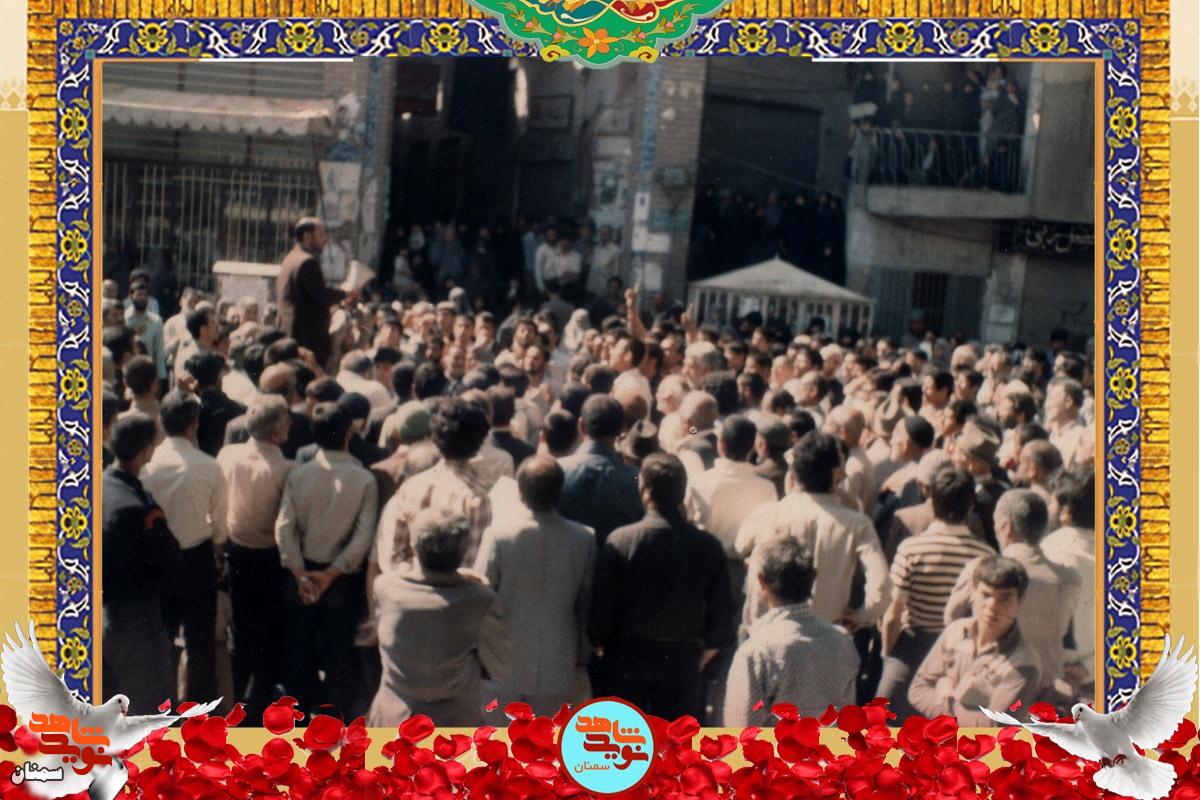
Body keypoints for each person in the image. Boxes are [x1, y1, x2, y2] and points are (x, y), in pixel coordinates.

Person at [590, 453, 733, 722]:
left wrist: (603, 646)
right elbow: (722, 622)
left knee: (625, 742)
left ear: (644, 489)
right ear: (683, 492)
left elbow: (600, 616)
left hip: (626, 660)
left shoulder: (620, 541)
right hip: (682, 664)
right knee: (677, 744)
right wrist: (697, 659)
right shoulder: (709, 547)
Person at [275, 402, 379, 715]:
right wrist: (332, 573)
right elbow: (363, 537)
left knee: (298, 651)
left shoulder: (298, 475)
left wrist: (299, 573)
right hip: (340, 579)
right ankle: (333, 725)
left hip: (303, 575)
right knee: (338, 657)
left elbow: (284, 528)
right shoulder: (364, 480)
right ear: (349, 433)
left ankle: (296, 722)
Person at [474, 455, 596, 716]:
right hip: (559, 659)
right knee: (548, 736)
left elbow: (480, 597)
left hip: (502, 660)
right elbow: (585, 604)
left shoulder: (498, 536)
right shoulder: (584, 537)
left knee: (499, 737)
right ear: (560, 490)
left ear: (520, 491)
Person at [737, 433, 891, 631]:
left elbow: (741, 548)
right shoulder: (858, 524)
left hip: (771, 630)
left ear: (794, 473)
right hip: (829, 633)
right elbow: (882, 585)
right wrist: (862, 616)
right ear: (836, 473)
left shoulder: (769, 514)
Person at [370, 508, 510, 726]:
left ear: (414, 547)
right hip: (454, 725)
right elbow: (500, 667)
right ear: (464, 550)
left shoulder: (385, 588)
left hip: (393, 719)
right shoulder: (481, 600)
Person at [877, 467, 995, 721]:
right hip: (959, 657)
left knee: (882, 722)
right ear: (970, 507)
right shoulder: (986, 556)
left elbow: (892, 617)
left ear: (932, 501)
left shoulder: (911, 549)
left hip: (911, 649)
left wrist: (887, 654)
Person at [943, 489, 1080, 700]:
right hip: (1045, 692)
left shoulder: (979, 570)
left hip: (989, 691)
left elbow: (951, 619)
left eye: (996, 523)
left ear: (1006, 526)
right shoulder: (1068, 578)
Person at [140, 391, 228, 703]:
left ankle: (160, 705)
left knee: (160, 637)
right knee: (200, 641)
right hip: (196, 559)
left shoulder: (147, 468)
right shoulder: (208, 466)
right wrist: (216, 547)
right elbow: (220, 523)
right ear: (194, 424)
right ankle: (199, 709)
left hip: (157, 560)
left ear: (161, 423)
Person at [217, 395, 296, 719]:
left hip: (235, 554)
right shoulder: (286, 469)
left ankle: (236, 700)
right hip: (269, 559)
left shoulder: (227, 454)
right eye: (287, 420)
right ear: (277, 433)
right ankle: (258, 709)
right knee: (267, 637)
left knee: (241, 631)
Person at [723, 537, 858, 725]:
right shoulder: (843, 642)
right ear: (814, 577)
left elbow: (741, 728)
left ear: (762, 581)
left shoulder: (755, 652)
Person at [102, 413, 183, 713]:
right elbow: (171, 561)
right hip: (137, 622)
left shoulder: (94, 488)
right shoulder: (139, 506)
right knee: (151, 710)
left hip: (99, 614)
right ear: (146, 452)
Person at [909, 556, 1041, 726]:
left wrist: (947, 697)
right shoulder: (955, 631)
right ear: (973, 592)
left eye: (1005, 598)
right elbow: (917, 689)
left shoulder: (1024, 663)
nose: (992, 605)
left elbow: (993, 725)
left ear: (1020, 601)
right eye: (985, 595)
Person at [376, 397, 493, 573]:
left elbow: (394, 555)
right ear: (479, 442)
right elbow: (472, 566)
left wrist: (417, 575)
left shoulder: (411, 486)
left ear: (435, 436)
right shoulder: (476, 498)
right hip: (453, 590)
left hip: (407, 585)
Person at [1040, 467, 1096, 700]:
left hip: (1050, 678)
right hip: (1097, 676)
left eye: (1052, 503)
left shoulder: (1047, 550)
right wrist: (1090, 667)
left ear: (1066, 511)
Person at [557, 395, 642, 546]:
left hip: (568, 557)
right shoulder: (636, 478)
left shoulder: (557, 471)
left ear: (581, 426)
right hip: (616, 558)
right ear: (622, 429)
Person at [276, 217, 347, 372]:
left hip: (292, 336)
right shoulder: (307, 261)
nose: (325, 240)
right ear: (307, 237)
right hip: (307, 340)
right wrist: (345, 294)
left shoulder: (291, 257)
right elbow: (320, 295)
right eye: (321, 235)